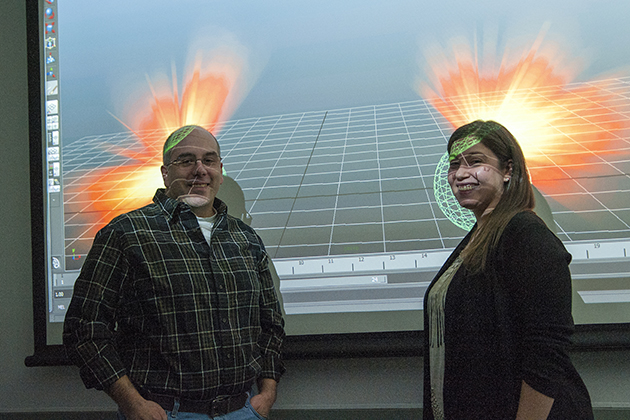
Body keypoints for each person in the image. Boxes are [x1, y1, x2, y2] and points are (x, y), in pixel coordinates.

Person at [63, 125, 286, 420]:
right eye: (185, 160)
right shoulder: (126, 233)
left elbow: (270, 324)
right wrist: (132, 403)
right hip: (166, 414)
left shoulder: (245, 237)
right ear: (165, 172)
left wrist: (267, 393)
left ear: (220, 169)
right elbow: (84, 327)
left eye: (209, 160)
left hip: (243, 410)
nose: (199, 170)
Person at [423, 120, 593, 419]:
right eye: (454, 165)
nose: (461, 174)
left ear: (508, 170)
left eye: (476, 162)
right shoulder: (479, 236)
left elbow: (547, 349)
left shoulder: (524, 232)